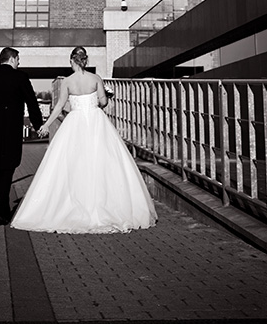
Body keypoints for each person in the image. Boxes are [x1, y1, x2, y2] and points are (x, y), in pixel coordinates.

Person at [10, 46, 157, 233]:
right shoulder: (95, 79)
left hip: (75, 122)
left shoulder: (68, 82)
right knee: (102, 162)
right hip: (96, 122)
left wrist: (46, 125)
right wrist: (106, 96)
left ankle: (71, 205)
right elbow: (103, 103)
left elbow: (60, 106)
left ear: (72, 61)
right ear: (85, 61)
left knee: (73, 163)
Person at [0, 47, 43, 225]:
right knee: (8, 167)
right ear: (11, 59)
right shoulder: (20, 77)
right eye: (18, 59)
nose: (19, 63)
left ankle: (0, 209)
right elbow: (32, 103)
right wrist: (38, 125)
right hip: (11, 130)